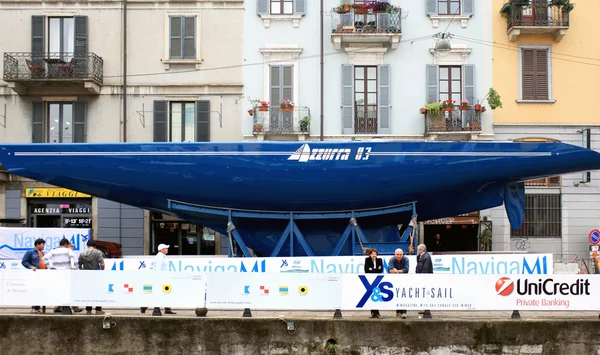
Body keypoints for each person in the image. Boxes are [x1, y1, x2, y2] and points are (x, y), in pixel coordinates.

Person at [43, 238, 81, 313]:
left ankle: (59, 306)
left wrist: (51, 267)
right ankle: (66, 307)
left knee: (58, 290)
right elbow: (75, 261)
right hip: (67, 273)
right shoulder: (68, 251)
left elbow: (44, 259)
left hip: (57, 274)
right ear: (66, 244)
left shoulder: (53, 251)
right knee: (67, 290)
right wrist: (75, 269)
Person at [141, 244, 176, 315]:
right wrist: (160, 278)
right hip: (161, 278)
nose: (167, 249)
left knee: (166, 292)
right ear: (162, 250)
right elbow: (158, 269)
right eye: (166, 248)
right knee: (162, 292)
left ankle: (166, 308)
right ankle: (146, 306)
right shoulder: (160, 257)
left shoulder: (162, 257)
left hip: (163, 278)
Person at [79, 240, 105, 315]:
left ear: (87, 245)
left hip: (86, 275)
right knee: (97, 291)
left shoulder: (82, 253)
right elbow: (102, 264)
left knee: (88, 291)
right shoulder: (98, 252)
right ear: (95, 246)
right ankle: (98, 309)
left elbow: (79, 264)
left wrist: (82, 270)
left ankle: (88, 309)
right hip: (95, 274)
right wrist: (102, 270)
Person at [21, 238, 46, 313]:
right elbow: (24, 261)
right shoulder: (30, 252)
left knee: (41, 290)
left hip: (43, 274)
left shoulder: (42, 253)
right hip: (35, 274)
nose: (43, 246)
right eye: (42, 244)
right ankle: (36, 307)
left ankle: (39, 306)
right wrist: (31, 267)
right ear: (37, 244)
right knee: (36, 290)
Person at [388, 248, 409, 318]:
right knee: (396, 295)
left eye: (400, 254)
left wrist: (396, 271)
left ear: (402, 255)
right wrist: (400, 271)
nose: (399, 256)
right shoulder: (392, 259)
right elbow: (390, 270)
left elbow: (406, 269)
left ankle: (404, 312)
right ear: (395, 254)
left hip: (404, 280)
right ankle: (398, 311)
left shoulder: (406, 259)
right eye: (397, 254)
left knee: (403, 295)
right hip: (395, 280)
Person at [363, 248, 383, 319]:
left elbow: (380, 270)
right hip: (370, 280)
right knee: (371, 295)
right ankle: (372, 312)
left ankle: (377, 313)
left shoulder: (379, 260)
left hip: (378, 279)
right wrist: (376, 269)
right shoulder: (367, 260)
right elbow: (366, 270)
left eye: (375, 254)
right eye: (372, 254)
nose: (374, 255)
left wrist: (372, 269)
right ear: (370, 254)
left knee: (377, 295)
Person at [416, 244, 433, 318]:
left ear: (421, 250)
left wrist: (422, 277)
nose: (417, 251)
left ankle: (426, 309)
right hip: (422, 276)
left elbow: (425, 268)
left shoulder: (426, 256)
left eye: (418, 250)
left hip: (424, 277)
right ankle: (423, 308)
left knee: (425, 293)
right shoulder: (421, 256)